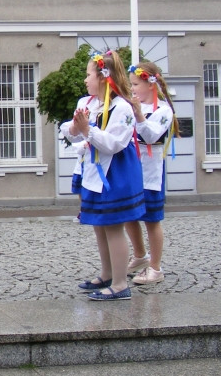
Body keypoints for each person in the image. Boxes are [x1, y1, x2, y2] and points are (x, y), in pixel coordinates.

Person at [61, 50, 145, 301]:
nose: (85, 80)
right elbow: (70, 130)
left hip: (115, 172)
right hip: (94, 172)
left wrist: (88, 131)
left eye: (88, 75)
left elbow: (114, 144)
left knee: (113, 226)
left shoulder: (122, 106)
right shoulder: (87, 103)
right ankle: (108, 273)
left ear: (103, 77)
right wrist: (76, 128)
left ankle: (120, 284)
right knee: (100, 226)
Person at [125, 60, 177, 286]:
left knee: (151, 220)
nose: (132, 88)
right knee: (128, 215)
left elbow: (150, 135)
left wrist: (138, 115)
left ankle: (155, 267)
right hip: (130, 168)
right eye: (131, 84)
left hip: (150, 172)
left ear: (150, 84)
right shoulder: (129, 106)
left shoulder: (163, 110)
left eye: (135, 84)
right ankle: (139, 255)